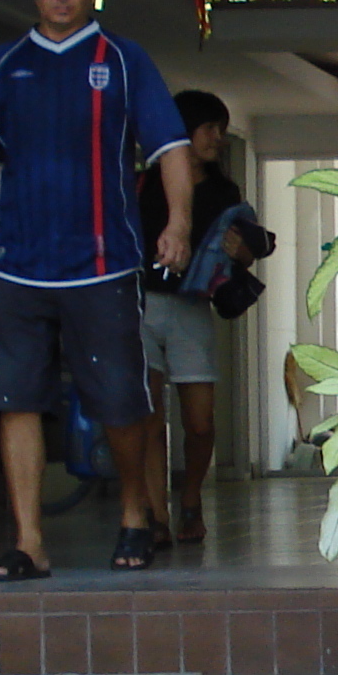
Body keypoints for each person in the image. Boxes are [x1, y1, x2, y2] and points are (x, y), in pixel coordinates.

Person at [0, 0, 194, 581]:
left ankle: (136, 513)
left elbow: (170, 149)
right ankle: (29, 542)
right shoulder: (2, 66)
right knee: (14, 400)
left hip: (103, 265)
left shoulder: (124, 59)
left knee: (119, 400)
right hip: (16, 265)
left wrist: (180, 225)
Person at [137, 88, 271, 548]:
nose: (217, 137)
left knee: (199, 422)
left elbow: (240, 253)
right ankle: (156, 515)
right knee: (149, 418)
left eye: (219, 128)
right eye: (208, 128)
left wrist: (244, 253)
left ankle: (190, 497)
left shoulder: (223, 191)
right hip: (140, 304)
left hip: (191, 306)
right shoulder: (140, 184)